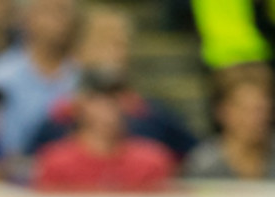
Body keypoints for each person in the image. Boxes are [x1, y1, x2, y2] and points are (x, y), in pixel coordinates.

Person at [28, 8, 197, 161]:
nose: (116, 55)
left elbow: (193, 156)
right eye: (104, 43)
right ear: (78, 52)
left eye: (122, 44)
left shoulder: (150, 116)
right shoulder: (58, 121)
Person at [34, 70, 176, 192]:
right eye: (99, 98)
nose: (110, 106)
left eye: (116, 98)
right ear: (80, 104)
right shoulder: (56, 162)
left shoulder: (151, 161)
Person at [0, 0, 81, 158]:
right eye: (50, 11)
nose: (60, 20)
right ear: (26, 18)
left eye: (65, 12)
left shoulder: (82, 78)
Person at [185, 70, 275, 179]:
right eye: (245, 110)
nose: (256, 119)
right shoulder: (203, 164)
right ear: (222, 111)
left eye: (261, 109)